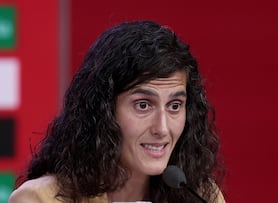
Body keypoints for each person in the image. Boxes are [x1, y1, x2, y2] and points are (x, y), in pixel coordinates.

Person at [9, 20, 226, 203]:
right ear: (103, 112)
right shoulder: (41, 199)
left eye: (174, 106)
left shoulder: (201, 196)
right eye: (143, 105)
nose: (162, 128)